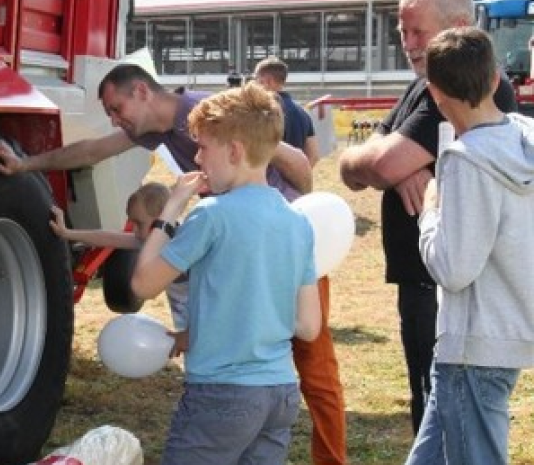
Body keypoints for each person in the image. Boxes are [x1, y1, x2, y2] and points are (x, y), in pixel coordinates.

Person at [337, 0, 518, 435]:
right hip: (423, 279)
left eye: (418, 32)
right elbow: (353, 165)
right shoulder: (422, 86)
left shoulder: (461, 85)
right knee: (433, 402)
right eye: (403, 32)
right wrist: (393, 170)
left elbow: (379, 165)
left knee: (449, 410)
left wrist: (387, 167)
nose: (409, 44)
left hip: (444, 287)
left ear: (457, 28)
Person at [130, 82, 322, 465]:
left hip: (221, 392)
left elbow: (143, 283)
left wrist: (169, 212)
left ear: (234, 150)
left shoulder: (210, 215)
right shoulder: (297, 221)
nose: (198, 159)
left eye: (203, 147)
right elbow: (308, 326)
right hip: (279, 392)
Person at [405, 26, 534, 465]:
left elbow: (454, 267)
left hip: (471, 348)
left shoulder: (465, 160)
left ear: (434, 92)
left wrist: (430, 212)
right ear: (495, 79)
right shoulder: (523, 137)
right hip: (506, 332)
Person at [0, 63, 313, 199]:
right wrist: (23, 164)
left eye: (117, 109)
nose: (114, 120)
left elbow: (295, 160)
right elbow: (90, 151)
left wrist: (300, 214)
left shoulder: (214, 112)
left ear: (142, 91)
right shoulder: (154, 131)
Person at [254, 56, 347, 465]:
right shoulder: (300, 113)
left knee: (310, 363)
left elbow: (302, 165)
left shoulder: (259, 120)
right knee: (317, 369)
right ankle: (329, 456)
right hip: (295, 243)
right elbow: (313, 157)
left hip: (287, 249)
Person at [49, 182, 188, 331]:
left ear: (162, 218)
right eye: (132, 222)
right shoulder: (155, 240)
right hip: (187, 326)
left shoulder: (183, 246)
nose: (134, 230)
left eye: (139, 224)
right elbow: (109, 238)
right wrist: (68, 233)